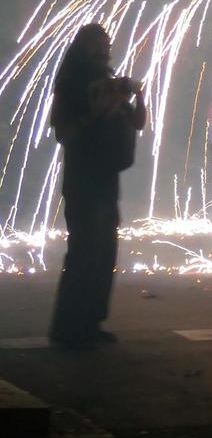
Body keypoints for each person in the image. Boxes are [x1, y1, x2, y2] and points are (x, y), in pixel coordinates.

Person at [48, 24, 147, 349]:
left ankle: (91, 321)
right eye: (98, 46)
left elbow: (136, 121)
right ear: (84, 48)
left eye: (106, 45)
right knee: (84, 252)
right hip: (83, 176)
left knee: (104, 251)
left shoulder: (108, 81)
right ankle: (68, 328)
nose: (105, 51)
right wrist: (95, 115)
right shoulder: (72, 83)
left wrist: (134, 95)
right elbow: (65, 132)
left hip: (106, 176)